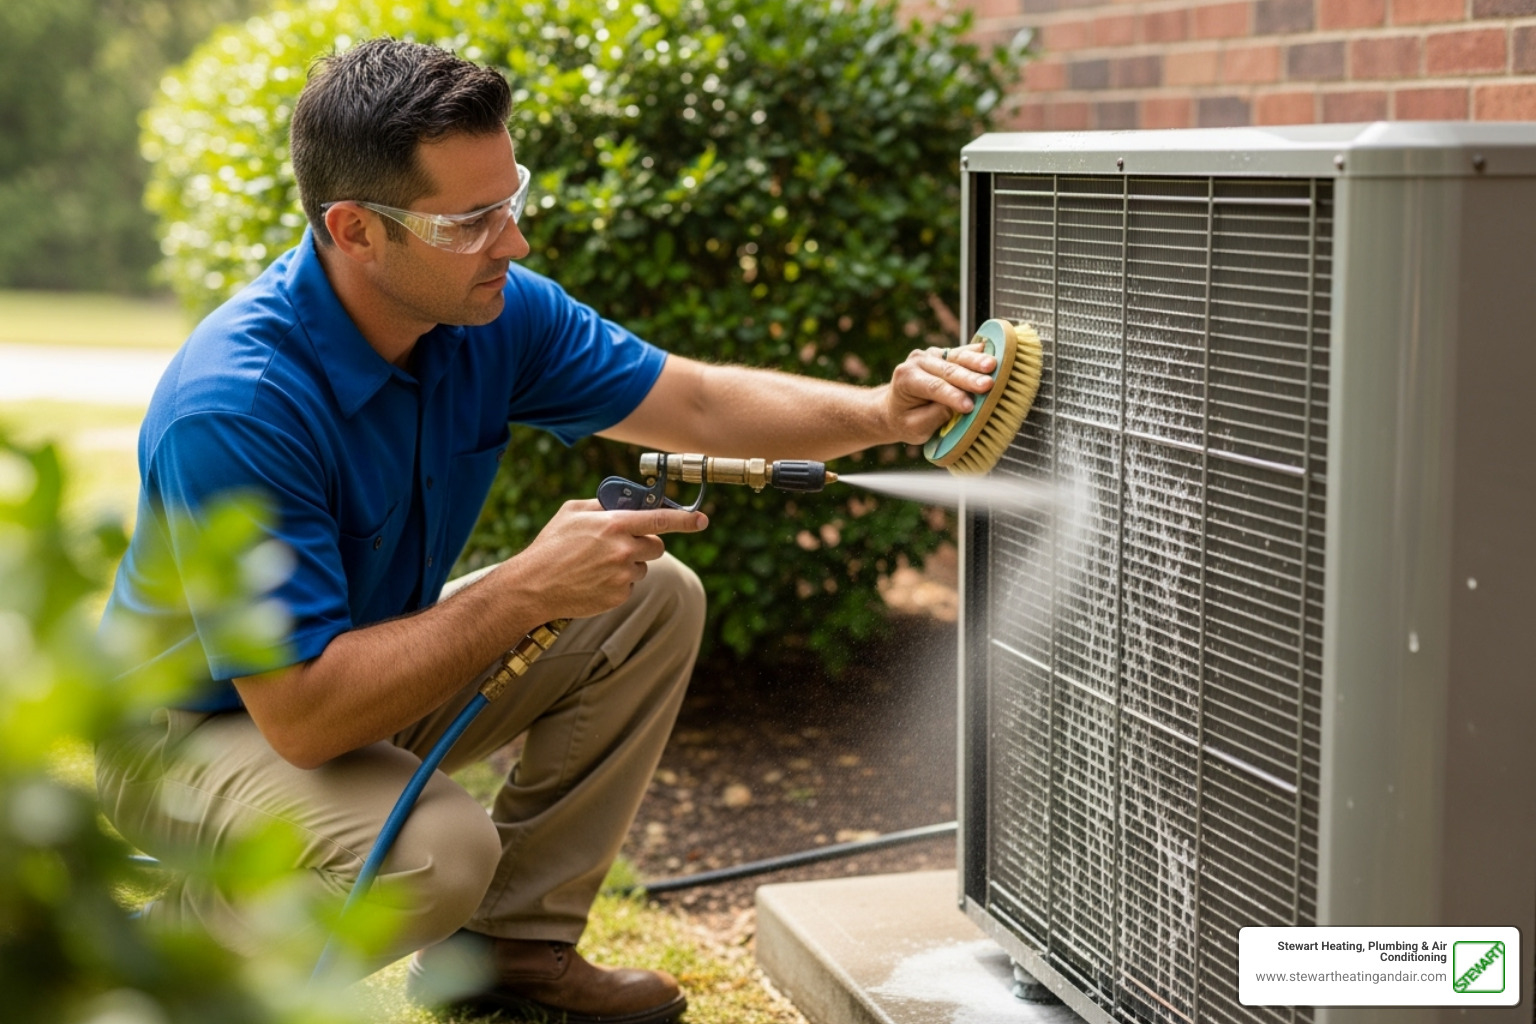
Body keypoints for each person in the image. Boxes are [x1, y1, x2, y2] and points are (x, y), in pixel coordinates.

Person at [95, 37, 995, 1024]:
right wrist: (525, 587)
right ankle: (168, 974)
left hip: (342, 676)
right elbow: (303, 716)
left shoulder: (485, 312)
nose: (513, 242)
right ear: (355, 230)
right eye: (471, 220)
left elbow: (689, 404)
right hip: (202, 728)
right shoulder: (242, 405)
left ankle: (506, 962)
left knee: (648, 598)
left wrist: (878, 411)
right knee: (434, 850)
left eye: (510, 199)